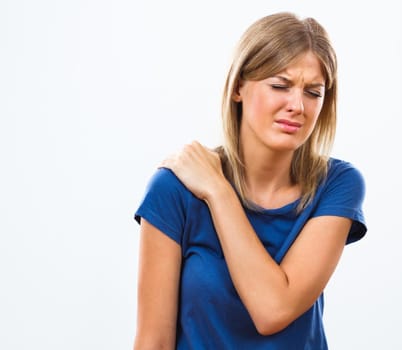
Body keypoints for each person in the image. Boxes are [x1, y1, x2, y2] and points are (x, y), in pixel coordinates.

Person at [133, 11, 367, 349]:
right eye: (280, 86)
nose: (297, 106)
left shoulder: (337, 185)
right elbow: (153, 342)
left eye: (313, 93)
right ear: (238, 87)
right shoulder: (173, 191)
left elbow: (273, 309)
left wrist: (217, 191)